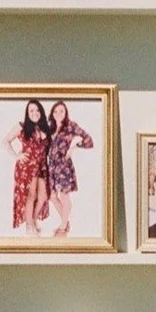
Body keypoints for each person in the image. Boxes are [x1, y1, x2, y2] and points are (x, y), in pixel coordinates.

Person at [45, 101, 94, 237]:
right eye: (56, 111)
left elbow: (89, 140)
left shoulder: (70, 126)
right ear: (52, 113)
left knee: (64, 195)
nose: (58, 114)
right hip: (52, 167)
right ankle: (65, 223)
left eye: (61, 111)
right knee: (52, 196)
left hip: (63, 166)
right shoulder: (51, 127)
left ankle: (62, 227)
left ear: (66, 113)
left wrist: (74, 147)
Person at [3, 100, 51, 236]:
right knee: (31, 196)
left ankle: (33, 220)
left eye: (37, 110)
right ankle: (29, 227)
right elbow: (5, 141)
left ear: (41, 112)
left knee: (43, 196)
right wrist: (16, 156)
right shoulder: (21, 126)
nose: (34, 113)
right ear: (27, 113)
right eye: (31, 111)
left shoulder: (45, 128)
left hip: (41, 167)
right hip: (27, 167)